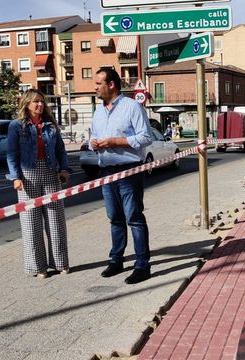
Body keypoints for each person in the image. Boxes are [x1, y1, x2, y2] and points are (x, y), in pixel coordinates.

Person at [90, 68, 153, 284]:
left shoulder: (132, 107)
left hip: (129, 171)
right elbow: (93, 135)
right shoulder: (98, 112)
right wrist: (93, 143)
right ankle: (116, 260)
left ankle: (142, 265)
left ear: (111, 85)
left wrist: (116, 141)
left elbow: (146, 137)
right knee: (114, 218)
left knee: (134, 217)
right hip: (106, 172)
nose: (95, 87)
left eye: (98, 83)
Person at [6, 89, 72, 279]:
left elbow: (60, 150)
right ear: (27, 104)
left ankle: (60, 263)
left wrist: (64, 169)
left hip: (50, 173)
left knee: (56, 221)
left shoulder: (50, 125)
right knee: (31, 223)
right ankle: (38, 267)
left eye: (42, 101)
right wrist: (15, 177)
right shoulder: (16, 126)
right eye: (36, 101)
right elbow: (12, 153)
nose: (40, 105)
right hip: (28, 175)